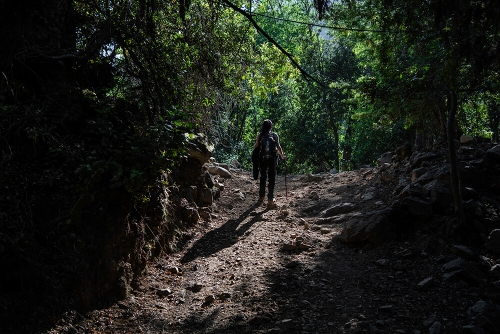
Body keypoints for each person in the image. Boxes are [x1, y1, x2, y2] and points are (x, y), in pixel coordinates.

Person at [254, 119, 286, 209]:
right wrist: (282, 156)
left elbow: (256, 146)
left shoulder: (260, 135)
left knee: (263, 178)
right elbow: (278, 147)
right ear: (271, 126)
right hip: (272, 159)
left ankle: (261, 197)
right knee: (272, 179)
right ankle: (270, 199)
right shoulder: (274, 135)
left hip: (263, 159)